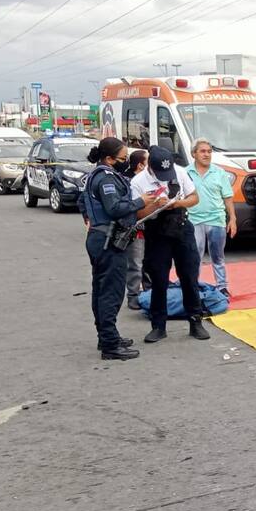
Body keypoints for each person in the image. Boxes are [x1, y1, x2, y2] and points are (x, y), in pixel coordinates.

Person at [78, 137, 163, 360]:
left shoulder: (97, 175)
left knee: (101, 290)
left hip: (101, 236)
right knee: (110, 293)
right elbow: (114, 207)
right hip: (107, 240)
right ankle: (109, 344)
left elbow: (83, 202)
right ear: (109, 159)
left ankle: (107, 336)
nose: (125, 162)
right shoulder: (104, 178)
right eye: (123, 158)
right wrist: (141, 201)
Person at [129, 146, 209, 343]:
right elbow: (136, 214)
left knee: (189, 277)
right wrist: (155, 205)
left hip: (182, 228)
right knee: (158, 280)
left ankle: (195, 321)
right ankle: (158, 326)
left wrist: (177, 203)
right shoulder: (138, 182)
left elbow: (194, 197)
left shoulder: (180, 172)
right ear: (150, 168)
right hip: (157, 232)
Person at [186, 139, 237, 298]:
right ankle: (194, 286)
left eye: (209, 151)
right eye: (202, 151)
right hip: (193, 221)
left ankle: (222, 287)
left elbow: (228, 197)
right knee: (195, 257)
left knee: (218, 256)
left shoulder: (219, 172)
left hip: (216, 220)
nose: (207, 154)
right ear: (194, 154)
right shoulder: (185, 172)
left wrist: (233, 219)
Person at [124, 149, 149, 311]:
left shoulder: (150, 179)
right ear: (140, 165)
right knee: (135, 263)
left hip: (151, 228)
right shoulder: (128, 183)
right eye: (148, 162)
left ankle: (149, 291)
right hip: (136, 228)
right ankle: (133, 295)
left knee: (149, 262)